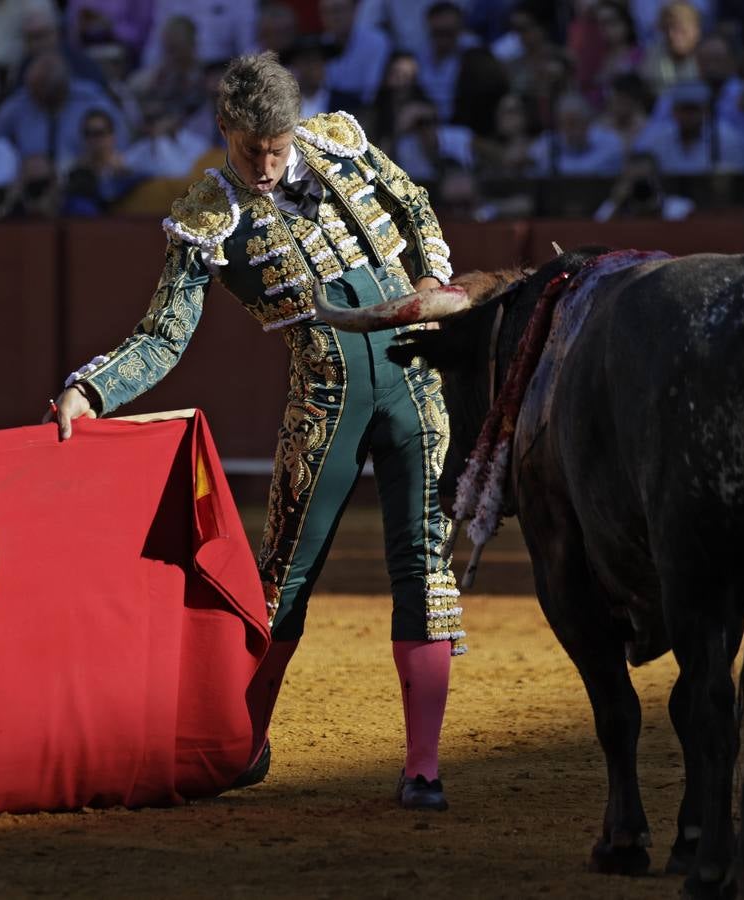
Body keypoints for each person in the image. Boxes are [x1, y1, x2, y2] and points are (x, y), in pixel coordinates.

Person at [48, 52, 462, 812]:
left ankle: (424, 768)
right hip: (326, 401)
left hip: (414, 386)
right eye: (250, 151)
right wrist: (91, 389)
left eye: (276, 149)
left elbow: (415, 205)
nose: (265, 166)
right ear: (224, 131)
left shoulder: (337, 139)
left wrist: (432, 281)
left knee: (424, 570)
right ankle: (240, 747)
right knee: (282, 582)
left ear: (294, 128)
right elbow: (164, 334)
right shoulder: (209, 214)